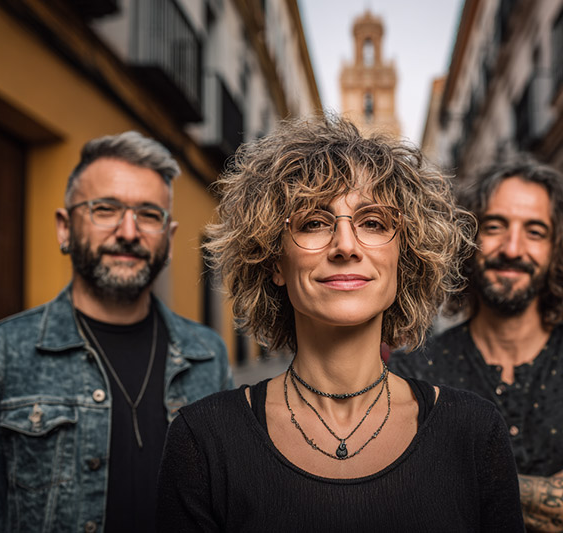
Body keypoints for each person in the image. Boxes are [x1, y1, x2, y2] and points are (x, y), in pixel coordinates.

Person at [155, 116, 525, 531]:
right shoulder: (202, 439)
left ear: (404, 258)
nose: (345, 246)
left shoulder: (474, 432)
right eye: (314, 223)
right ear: (275, 261)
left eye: (373, 223)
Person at [0, 131, 231, 532]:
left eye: (148, 215)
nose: (129, 232)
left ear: (170, 237)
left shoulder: (208, 356)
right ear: (64, 228)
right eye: (105, 209)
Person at [389, 158, 563, 532]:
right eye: (495, 227)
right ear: (465, 238)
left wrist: (462, 482)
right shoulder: (412, 374)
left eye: (535, 232)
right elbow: (401, 504)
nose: (513, 248)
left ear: (558, 249)